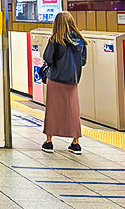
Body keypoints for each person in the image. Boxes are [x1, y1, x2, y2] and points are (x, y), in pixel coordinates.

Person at [41, 11, 87, 155]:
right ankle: (76, 143)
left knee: (53, 110)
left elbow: (47, 58)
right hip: (72, 80)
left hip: (56, 79)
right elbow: (83, 61)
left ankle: (49, 142)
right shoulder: (80, 40)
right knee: (73, 110)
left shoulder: (56, 39)